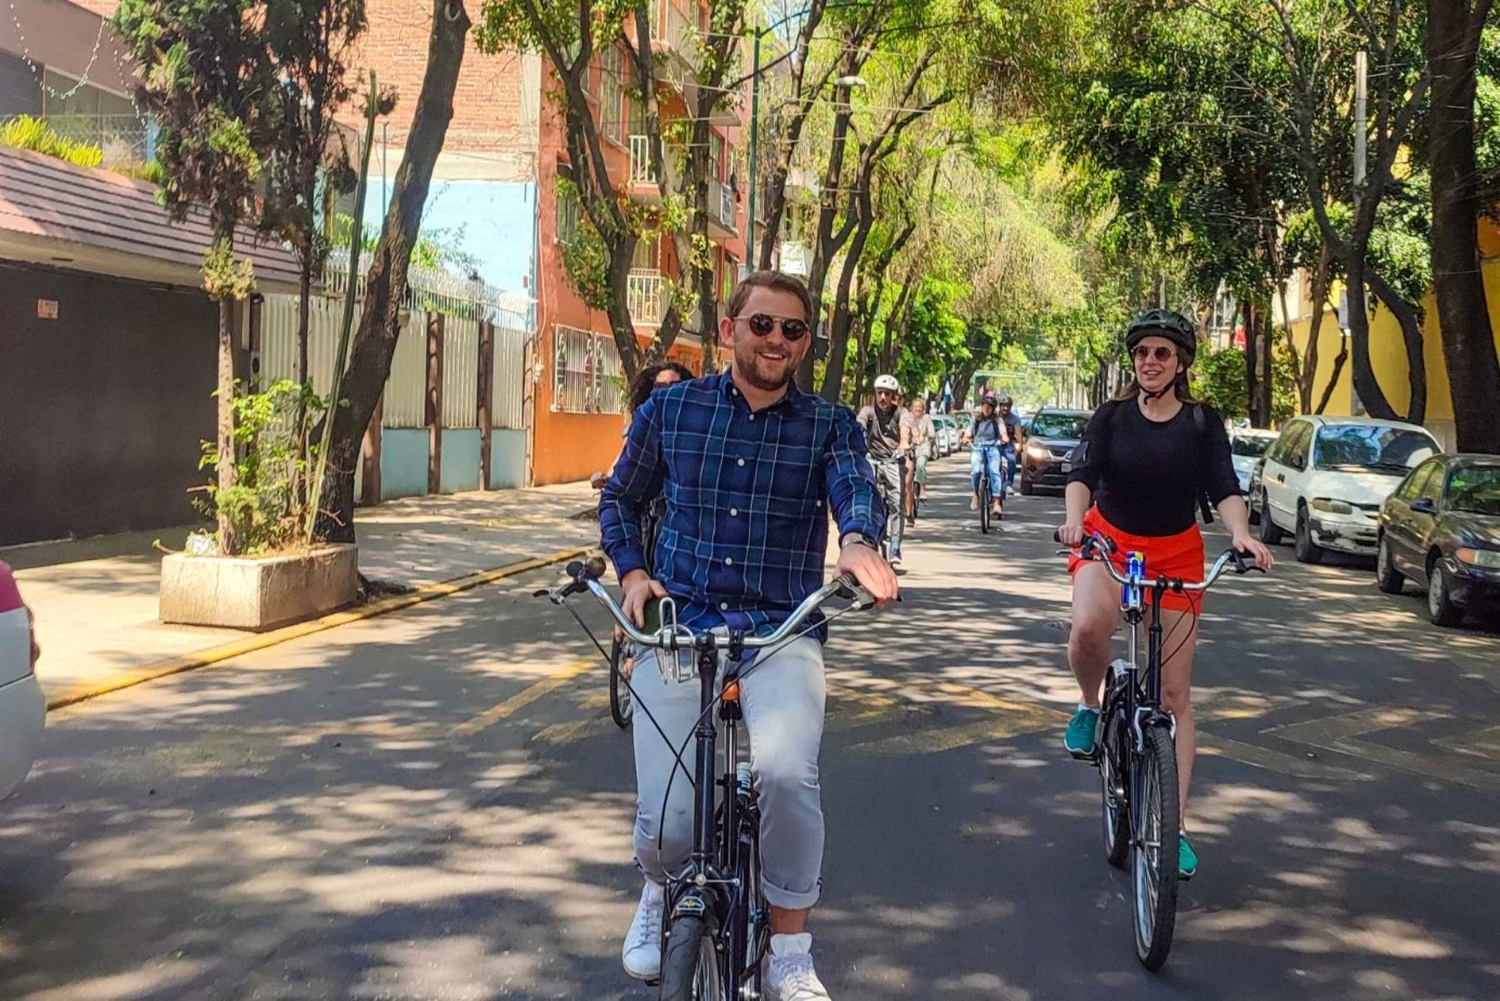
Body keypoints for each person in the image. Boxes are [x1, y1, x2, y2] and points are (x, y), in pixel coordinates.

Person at [600, 270, 899, 1000]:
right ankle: (657, 891)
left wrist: (858, 542)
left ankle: (790, 948)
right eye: (761, 324)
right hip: (681, 629)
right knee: (668, 819)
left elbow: (855, 489)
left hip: (781, 629)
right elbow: (620, 499)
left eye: (792, 330)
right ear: (730, 329)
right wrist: (633, 573)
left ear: (804, 344)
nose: (775, 340)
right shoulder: (672, 409)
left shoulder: (829, 424)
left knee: (787, 777)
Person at [1057, 308, 1274, 881]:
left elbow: (1224, 485)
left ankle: (1172, 828)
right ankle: (1090, 704)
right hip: (1108, 541)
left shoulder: (1202, 422)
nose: (1150, 362)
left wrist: (1241, 533)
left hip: (1176, 552)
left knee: (1175, 696)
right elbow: (1081, 474)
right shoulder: (1112, 416)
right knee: (1088, 628)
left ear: (1180, 363)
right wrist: (1076, 522)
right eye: (1142, 353)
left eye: (1162, 353)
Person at [589, 361, 695, 490]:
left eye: (675, 385)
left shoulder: (696, 425)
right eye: (660, 386)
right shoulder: (642, 424)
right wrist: (606, 479)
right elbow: (624, 457)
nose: (667, 391)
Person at [857, 375, 914, 565]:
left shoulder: (901, 412)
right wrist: (856, 435)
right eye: (880, 393)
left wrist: (904, 441)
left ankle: (895, 546)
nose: (883, 397)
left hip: (894, 460)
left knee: (896, 503)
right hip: (872, 460)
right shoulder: (868, 411)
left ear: (893, 396)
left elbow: (905, 426)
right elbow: (859, 424)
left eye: (887, 394)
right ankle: (868, 540)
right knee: (866, 500)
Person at [961, 393, 1008, 517]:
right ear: (982, 406)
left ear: (993, 409)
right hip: (978, 448)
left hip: (993, 447)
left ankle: (996, 502)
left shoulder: (997, 420)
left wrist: (1004, 437)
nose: (987, 409)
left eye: (989, 407)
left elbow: (1003, 432)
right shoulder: (976, 420)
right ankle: (975, 494)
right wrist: (965, 438)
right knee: (975, 471)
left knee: (994, 471)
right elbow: (968, 433)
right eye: (985, 406)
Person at [906, 397, 936, 518]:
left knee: (920, 465)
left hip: (923, 448)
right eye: (915, 407)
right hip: (910, 448)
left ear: (923, 409)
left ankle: (922, 489)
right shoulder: (908, 418)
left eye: (920, 407)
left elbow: (932, 433)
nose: (917, 409)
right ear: (912, 409)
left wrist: (926, 437)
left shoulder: (926, 418)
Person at [995, 395, 1025, 496]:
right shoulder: (995, 417)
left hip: (1008, 445)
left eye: (1008, 406)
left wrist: (1020, 446)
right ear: (999, 406)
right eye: (1003, 406)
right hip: (994, 444)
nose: (1005, 408)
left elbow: (1018, 433)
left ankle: (1008, 484)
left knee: (1012, 460)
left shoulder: (1015, 419)